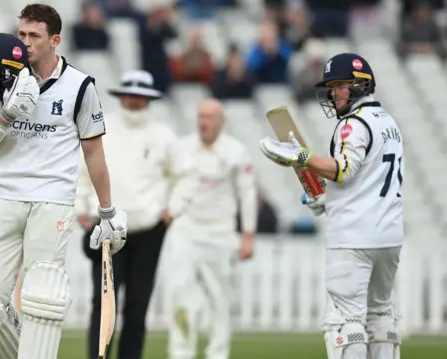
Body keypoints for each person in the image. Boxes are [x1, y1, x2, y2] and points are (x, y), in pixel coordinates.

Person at [0, 5, 128, 359]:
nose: (25, 43)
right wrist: (5, 115)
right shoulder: (3, 76)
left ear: (55, 40)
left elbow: (94, 153)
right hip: (4, 195)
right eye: (22, 34)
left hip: (52, 200)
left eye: (34, 36)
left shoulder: (80, 86)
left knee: (41, 299)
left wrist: (107, 211)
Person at [259, 53, 403, 359]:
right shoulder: (389, 123)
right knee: (381, 317)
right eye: (333, 87)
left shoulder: (353, 124)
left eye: (340, 87)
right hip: (388, 237)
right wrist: (328, 198)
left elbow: (344, 169)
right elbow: (368, 181)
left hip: (352, 237)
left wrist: (301, 157)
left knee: (345, 321)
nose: (334, 93)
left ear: (361, 86)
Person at [76, 69, 192, 359]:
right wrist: (82, 208)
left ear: (149, 100)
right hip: (107, 228)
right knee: (103, 302)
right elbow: (83, 170)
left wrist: (170, 212)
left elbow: (186, 176)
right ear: (122, 96)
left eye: (140, 97)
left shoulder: (163, 135)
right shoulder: (105, 127)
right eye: (130, 96)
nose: (134, 102)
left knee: (138, 304)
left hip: (148, 230)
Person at [165, 99, 257, 359]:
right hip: (185, 230)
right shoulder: (182, 148)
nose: (202, 122)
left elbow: (247, 194)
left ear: (221, 121)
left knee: (220, 302)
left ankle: (218, 354)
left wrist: (248, 236)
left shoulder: (235, 151)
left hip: (221, 233)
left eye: (208, 117)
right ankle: (180, 353)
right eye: (200, 116)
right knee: (180, 296)